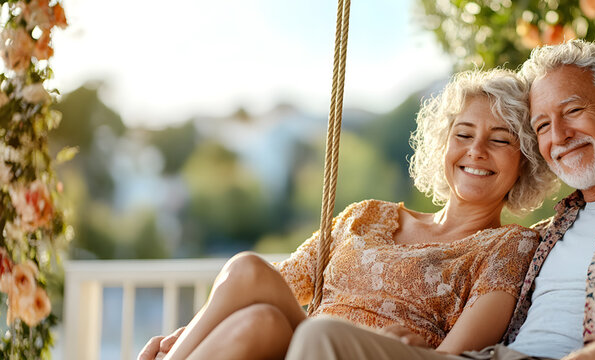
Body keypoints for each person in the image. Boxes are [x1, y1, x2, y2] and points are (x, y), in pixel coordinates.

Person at [285, 40, 595, 360]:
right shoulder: (547, 233)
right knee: (299, 328)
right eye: (543, 126)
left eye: (573, 112)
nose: (560, 136)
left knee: (321, 338)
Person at [136, 68, 558, 360]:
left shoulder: (508, 245)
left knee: (260, 295)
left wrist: (410, 349)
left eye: (500, 140)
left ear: (524, 160)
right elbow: (275, 285)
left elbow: (455, 357)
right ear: (442, 145)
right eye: (463, 134)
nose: (476, 150)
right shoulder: (368, 215)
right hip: (300, 344)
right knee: (255, 301)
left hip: (364, 354)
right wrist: (185, 334)